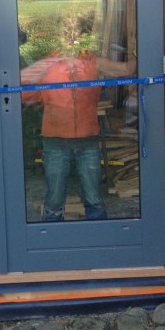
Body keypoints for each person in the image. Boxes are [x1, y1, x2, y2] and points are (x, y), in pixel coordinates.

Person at [22, 48, 134, 222]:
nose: (70, 40)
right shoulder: (47, 66)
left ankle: (97, 235)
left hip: (87, 141)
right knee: (55, 198)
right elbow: (13, 85)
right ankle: (51, 235)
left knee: (93, 197)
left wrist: (139, 48)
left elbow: (127, 69)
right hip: (56, 142)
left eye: (74, 36)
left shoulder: (93, 63)